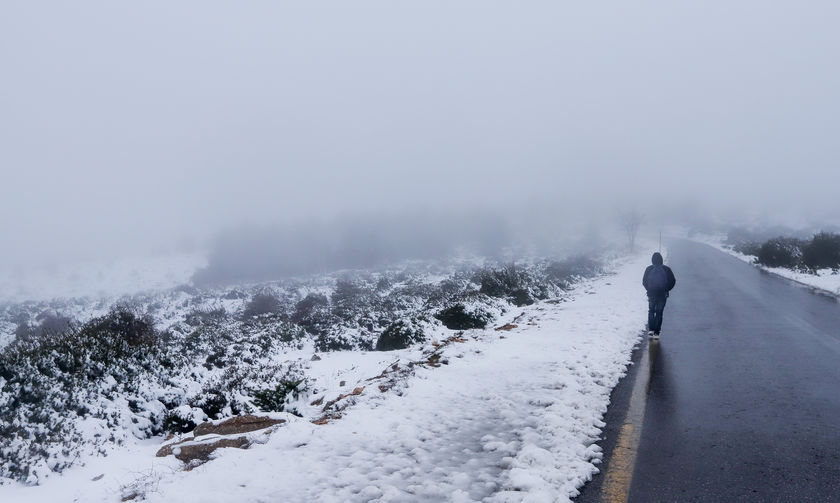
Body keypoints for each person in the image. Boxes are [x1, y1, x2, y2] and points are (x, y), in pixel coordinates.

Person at [642, 252, 676, 338]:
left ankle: (651, 330)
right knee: (659, 313)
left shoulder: (648, 269)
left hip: (651, 294)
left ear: (652, 260)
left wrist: (649, 289)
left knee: (651, 311)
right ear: (661, 260)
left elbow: (644, 281)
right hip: (662, 294)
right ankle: (656, 333)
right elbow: (673, 281)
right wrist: (666, 289)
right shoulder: (667, 269)